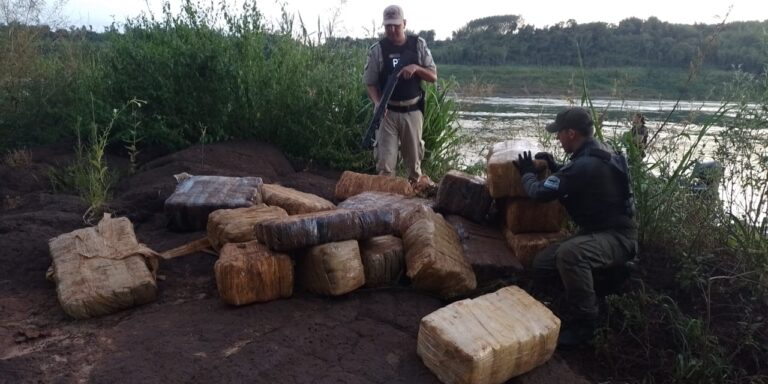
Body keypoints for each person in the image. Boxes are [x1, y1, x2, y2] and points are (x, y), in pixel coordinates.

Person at [515, 107, 638, 348]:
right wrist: (556, 166)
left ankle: (585, 323)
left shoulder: (587, 164)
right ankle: (577, 296)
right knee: (543, 263)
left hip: (618, 238)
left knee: (571, 255)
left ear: (571, 133)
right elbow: (578, 177)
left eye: (559, 134)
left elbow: (539, 193)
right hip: (599, 232)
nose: (557, 139)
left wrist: (527, 175)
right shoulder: (598, 152)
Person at [362, 5, 437, 184]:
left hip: (412, 111)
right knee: (385, 168)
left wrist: (416, 68)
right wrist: (377, 102)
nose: (392, 29)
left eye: (396, 25)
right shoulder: (378, 50)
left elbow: (433, 76)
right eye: (388, 26)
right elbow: (370, 82)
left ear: (404, 23)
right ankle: (385, 206)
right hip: (387, 113)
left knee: (414, 168)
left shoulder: (418, 45)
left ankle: (417, 203)